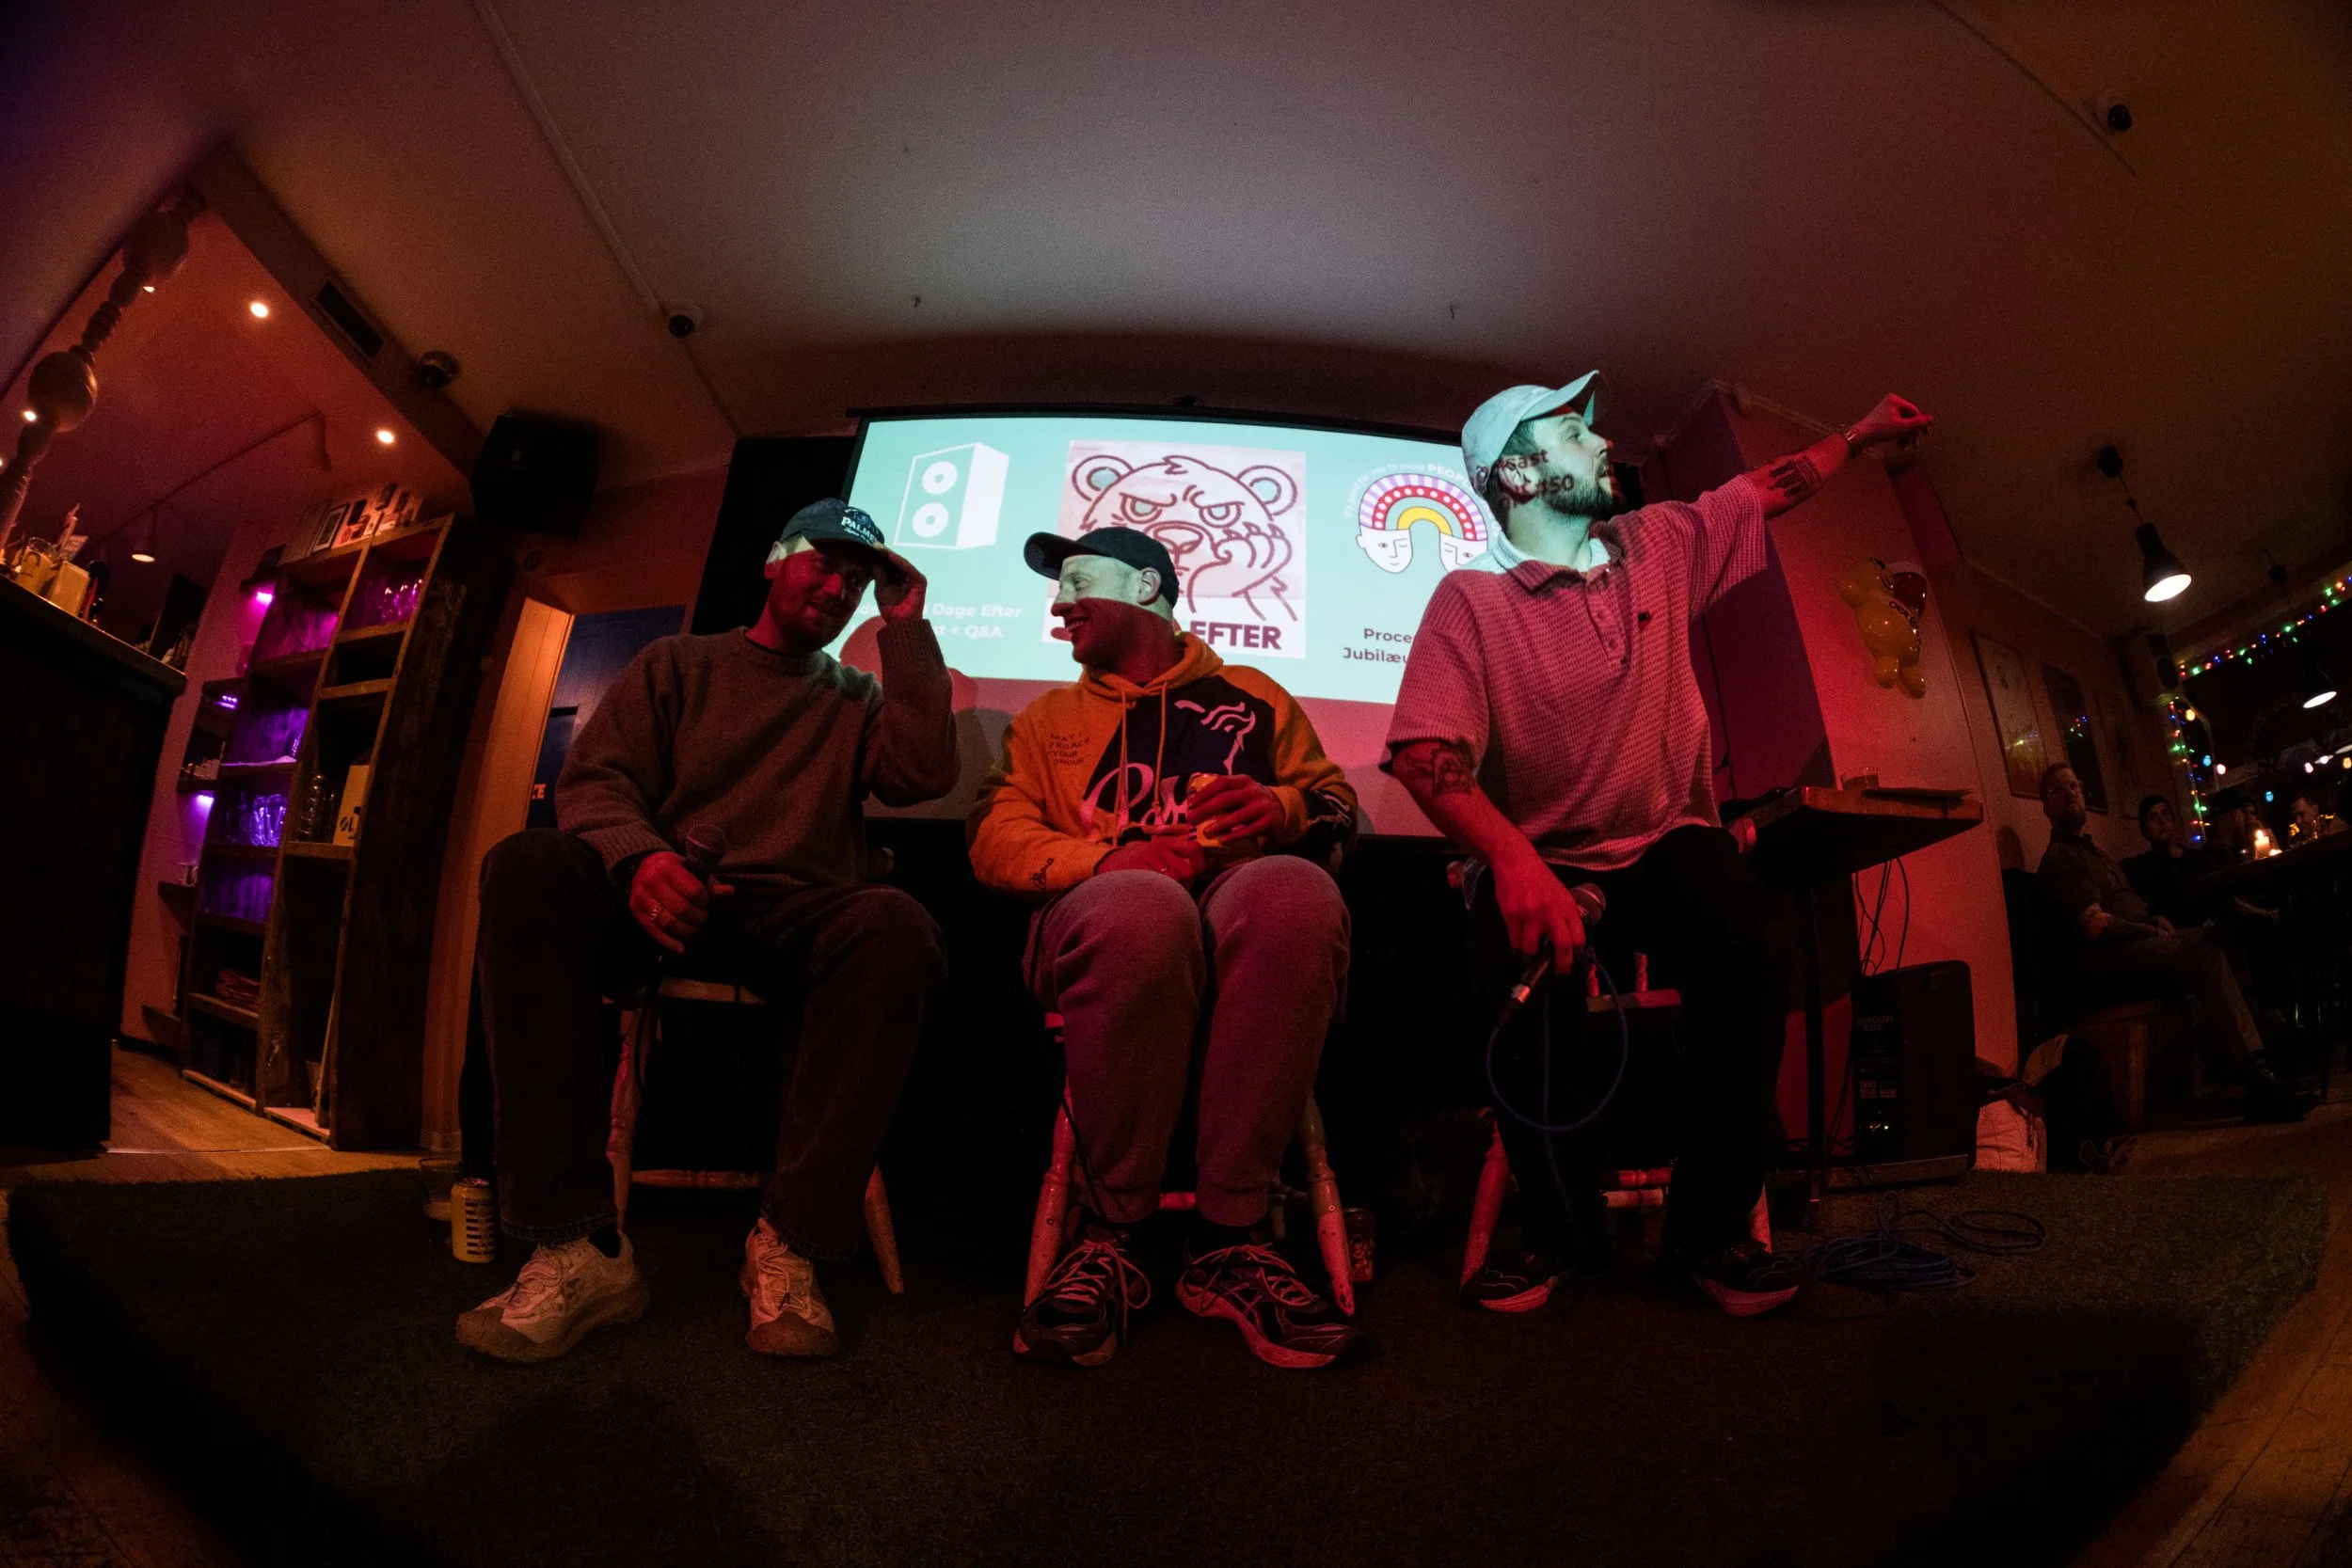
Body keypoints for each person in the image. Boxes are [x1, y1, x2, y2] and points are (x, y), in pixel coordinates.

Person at [1385, 372, 1933, 1318]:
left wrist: (1861, 431)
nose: (1601, 442)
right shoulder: (1469, 602)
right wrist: (1511, 862)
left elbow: (1771, 488)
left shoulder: (1661, 541)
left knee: (1751, 942)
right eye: (1569, 432)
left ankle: (1707, 1233)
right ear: (1515, 473)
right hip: (1544, 849)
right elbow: (1425, 753)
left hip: (1663, 837)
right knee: (1507, 976)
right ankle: (1562, 1237)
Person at [459, 499, 958, 1363]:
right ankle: (577, 1246)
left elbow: (922, 774)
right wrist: (639, 858)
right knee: (526, 864)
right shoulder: (677, 664)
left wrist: (907, 629)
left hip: (794, 911)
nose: (840, 585)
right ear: (774, 560)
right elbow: (597, 782)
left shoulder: (858, 696)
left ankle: (791, 1241)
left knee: (897, 925)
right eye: (824, 563)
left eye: (858, 576)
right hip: (668, 894)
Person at [969, 526, 1370, 1370]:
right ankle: (1112, 1230)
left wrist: (1284, 808)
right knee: (1141, 904)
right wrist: (1110, 857)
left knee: (1295, 892)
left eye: (1078, 580)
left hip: (1235, 910)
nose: (1058, 602)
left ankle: (1232, 1236)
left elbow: (1336, 806)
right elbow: (994, 837)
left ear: (1147, 585)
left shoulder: (1254, 693)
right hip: (1101, 919)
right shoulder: (1047, 721)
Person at [2035, 765, 2312, 1123]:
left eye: (2074, 785)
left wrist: (2154, 919)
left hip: (2137, 940)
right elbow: (2096, 927)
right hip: (2106, 958)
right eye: (2058, 791)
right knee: (2205, 956)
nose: (2070, 794)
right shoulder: (2061, 858)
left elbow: (2128, 903)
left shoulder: (2094, 852)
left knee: (2229, 935)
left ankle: (2263, 1055)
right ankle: (2259, 1083)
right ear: (2045, 806)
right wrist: (2148, 931)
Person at [2122, 794, 2220, 928]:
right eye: (2153, 818)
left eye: (2165, 814)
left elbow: (2218, 895)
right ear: (2144, 830)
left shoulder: (2197, 859)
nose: (2162, 821)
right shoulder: (2140, 869)